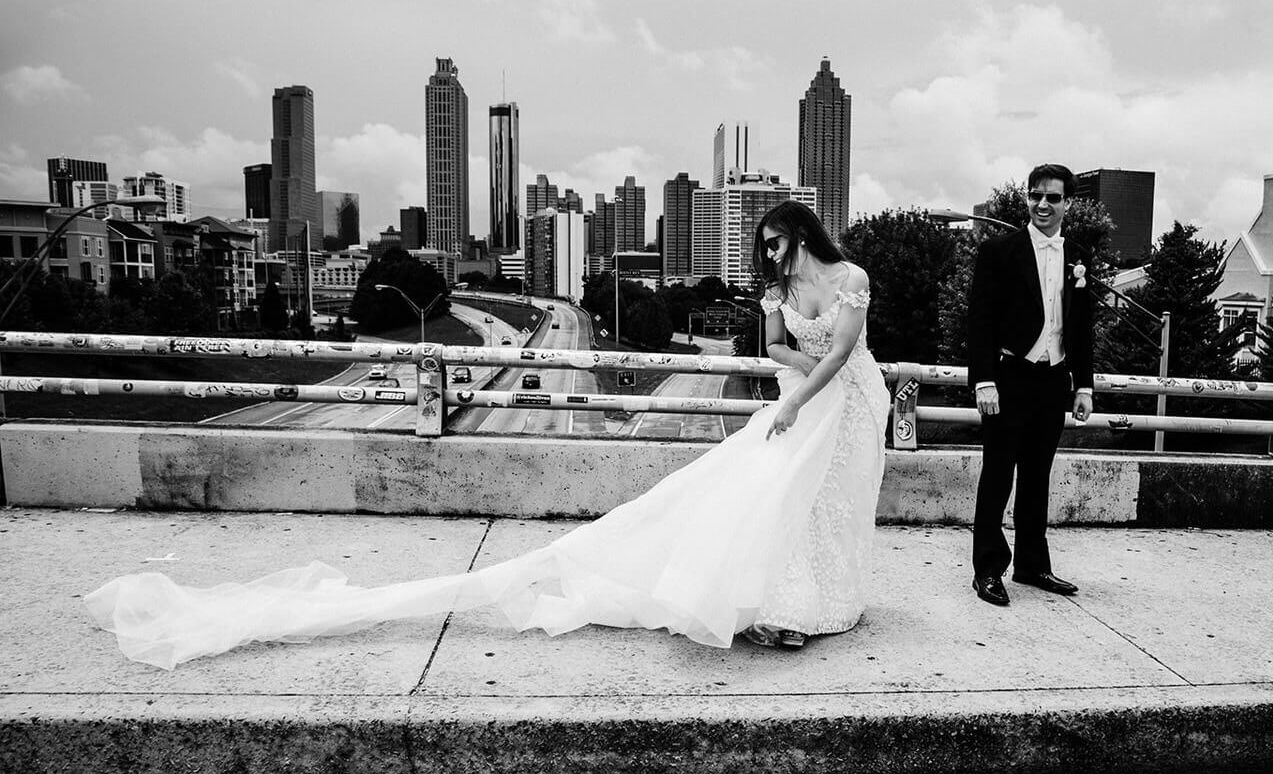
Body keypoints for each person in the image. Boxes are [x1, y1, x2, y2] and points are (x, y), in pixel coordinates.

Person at [84, 200, 890, 668]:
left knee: (834, 502)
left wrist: (793, 397)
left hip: (849, 404)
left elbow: (843, 353)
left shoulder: (847, 279)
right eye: (764, 250)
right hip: (798, 402)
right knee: (772, 497)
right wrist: (786, 391)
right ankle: (786, 601)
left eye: (777, 244)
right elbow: (776, 349)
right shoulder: (777, 293)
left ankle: (830, 599)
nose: (770, 257)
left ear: (803, 234)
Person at [966, 164, 1095, 607]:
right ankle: (987, 570)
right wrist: (984, 380)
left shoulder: (1079, 255)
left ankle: (1033, 565)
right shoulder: (999, 251)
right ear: (1027, 198)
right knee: (998, 476)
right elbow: (980, 322)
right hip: (1008, 376)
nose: (1043, 204)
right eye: (1036, 195)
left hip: (1054, 380)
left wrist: (1084, 385)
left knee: (1038, 477)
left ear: (1068, 203)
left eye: (1053, 197)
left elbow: (1082, 327)